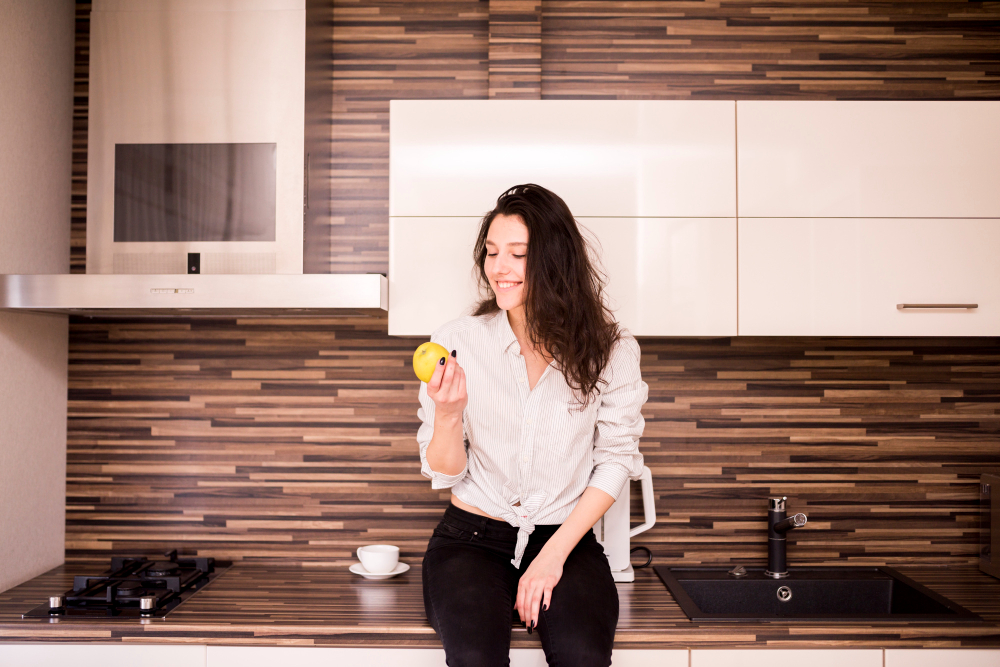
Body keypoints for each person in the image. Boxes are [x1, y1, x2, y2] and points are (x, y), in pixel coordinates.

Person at [416, 184, 648, 667]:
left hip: (566, 535)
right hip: (471, 540)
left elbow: (616, 458)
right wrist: (447, 414)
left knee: (584, 656)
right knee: (476, 659)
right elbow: (444, 472)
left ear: (554, 260)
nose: (498, 268)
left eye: (517, 254)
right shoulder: (458, 342)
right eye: (492, 252)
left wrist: (553, 555)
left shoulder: (612, 349)